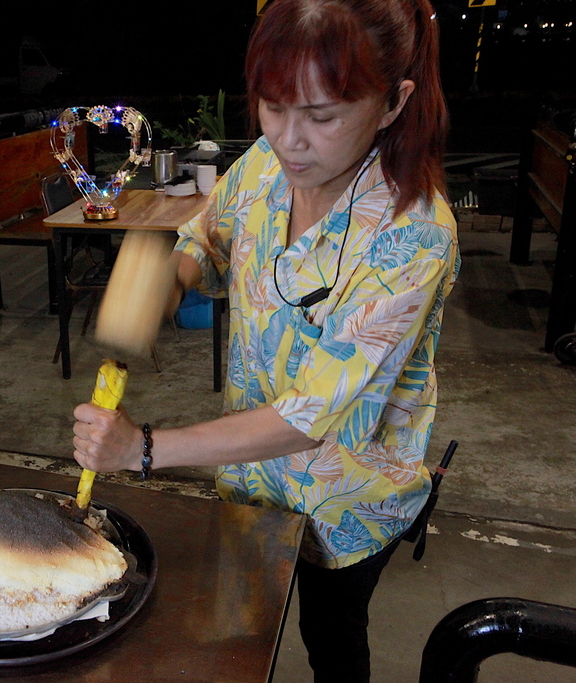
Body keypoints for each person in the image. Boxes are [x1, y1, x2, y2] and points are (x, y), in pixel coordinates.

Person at [72, 0, 460, 680]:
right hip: (251, 481)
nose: (289, 138)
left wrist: (143, 448)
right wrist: (169, 281)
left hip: (348, 501)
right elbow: (209, 234)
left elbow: (310, 415)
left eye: (323, 114)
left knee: (329, 634)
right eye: (274, 106)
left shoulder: (412, 235)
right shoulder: (266, 165)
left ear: (393, 103)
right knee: (236, 633)